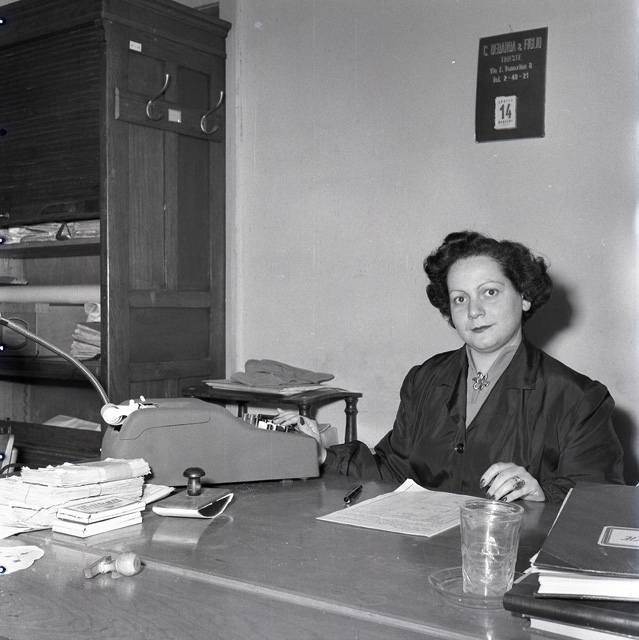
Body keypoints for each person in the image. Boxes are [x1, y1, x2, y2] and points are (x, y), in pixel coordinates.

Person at [274, 231, 625, 504]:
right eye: (460, 299)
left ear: (524, 296)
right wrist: (320, 453)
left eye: (489, 292)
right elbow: (394, 471)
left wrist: (542, 494)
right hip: (426, 557)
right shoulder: (424, 379)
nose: (474, 311)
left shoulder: (580, 398)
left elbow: (599, 502)